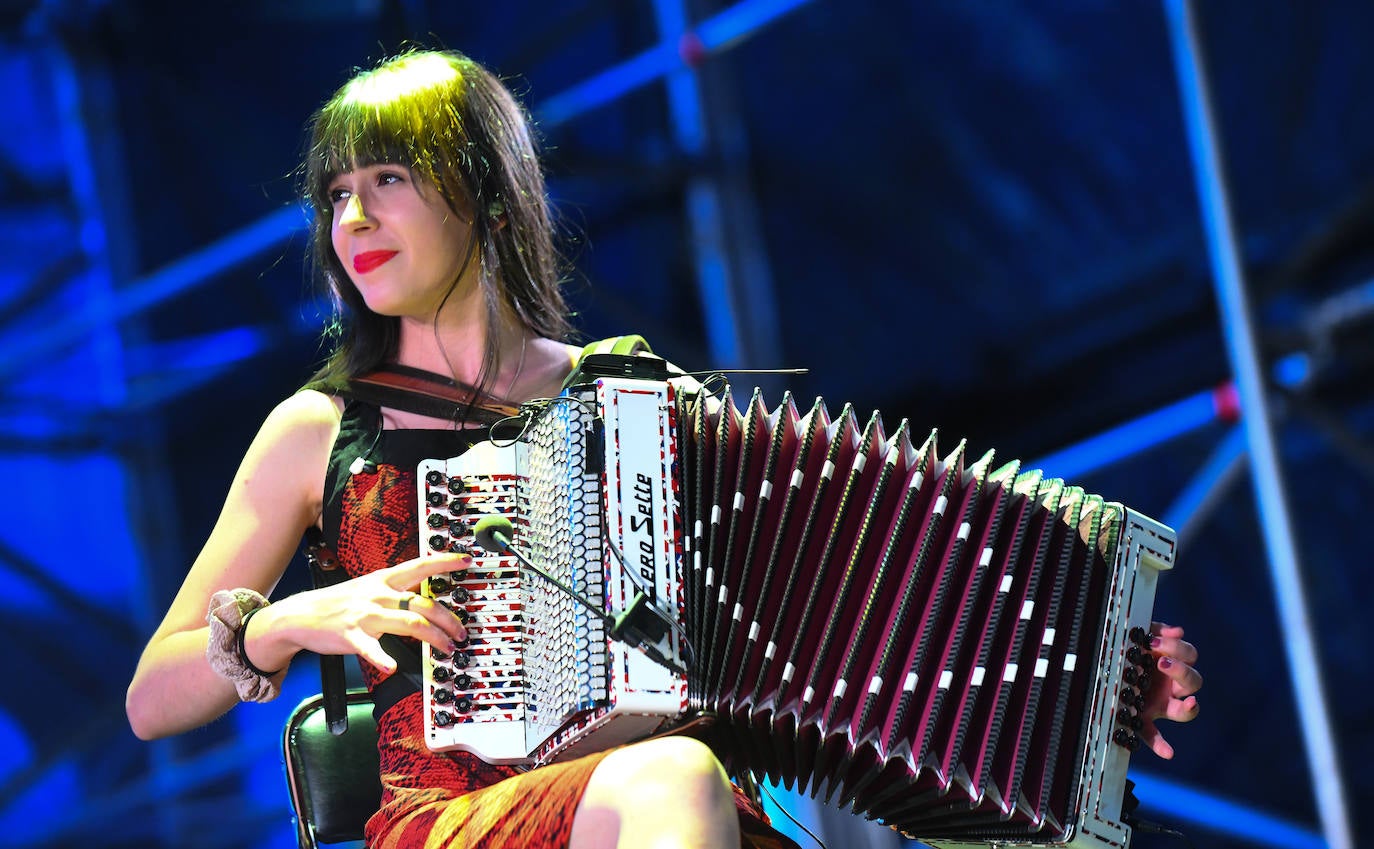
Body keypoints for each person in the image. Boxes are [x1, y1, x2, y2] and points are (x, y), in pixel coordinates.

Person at [125, 48, 1202, 849]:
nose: (351, 218)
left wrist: (1093, 682)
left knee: (702, 789)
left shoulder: (639, 402)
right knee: (674, 782)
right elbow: (153, 696)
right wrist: (291, 621)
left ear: (488, 196)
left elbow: (863, 609)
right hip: (453, 818)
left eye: (387, 180)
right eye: (335, 197)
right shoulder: (321, 432)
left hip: (677, 806)